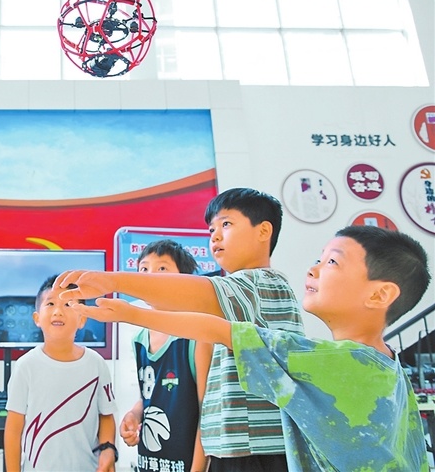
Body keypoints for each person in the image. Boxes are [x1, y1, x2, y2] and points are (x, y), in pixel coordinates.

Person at [72, 225, 431, 471]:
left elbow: (220, 329)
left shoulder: (329, 359)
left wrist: (125, 304)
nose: (313, 269)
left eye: (332, 262)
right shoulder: (390, 367)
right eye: (319, 258)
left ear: (380, 294)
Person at [56, 187, 305, 472]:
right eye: (211, 229)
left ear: (263, 231)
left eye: (226, 224)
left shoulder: (265, 284)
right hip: (230, 448)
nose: (215, 236)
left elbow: (204, 297)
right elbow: (203, 324)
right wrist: (130, 313)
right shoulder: (232, 301)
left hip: (260, 449)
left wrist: (114, 283)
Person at [4, 275, 118, 472]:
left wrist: (108, 448)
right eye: (50, 304)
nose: (58, 311)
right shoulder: (26, 366)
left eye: (68, 304)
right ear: (37, 318)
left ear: (82, 318)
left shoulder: (96, 364)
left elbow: (106, 416)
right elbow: (13, 429)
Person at [123, 240, 212, 472]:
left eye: (162, 268)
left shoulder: (196, 335)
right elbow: (150, 395)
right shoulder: (139, 338)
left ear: (185, 279)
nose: (150, 276)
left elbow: (207, 412)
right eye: (144, 269)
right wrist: (134, 414)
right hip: (150, 463)